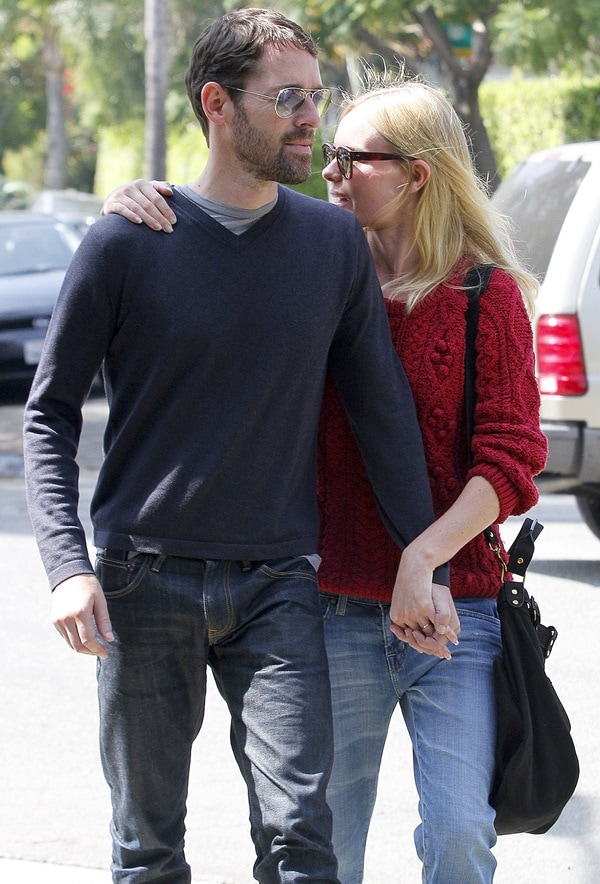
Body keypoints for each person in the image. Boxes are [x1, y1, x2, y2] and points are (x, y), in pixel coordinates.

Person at [23, 10, 456, 884]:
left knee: (304, 841)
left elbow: (380, 415)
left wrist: (428, 566)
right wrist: (67, 565)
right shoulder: (123, 243)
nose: (310, 118)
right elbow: (48, 414)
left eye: (314, 95)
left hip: (279, 586)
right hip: (143, 579)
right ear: (217, 103)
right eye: (287, 97)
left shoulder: (333, 243)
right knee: (147, 848)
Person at [103, 77, 548, 883]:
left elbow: (511, 461)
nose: (330, 170)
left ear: (416, 173)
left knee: (458, 834)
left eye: (353, 157)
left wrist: (426, 560)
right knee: (320, 850)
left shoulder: (488, 296)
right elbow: (214, 233)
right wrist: (139, 198)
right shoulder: (310, 271)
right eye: (330, 152)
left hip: (457, 613)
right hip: (333, 609)